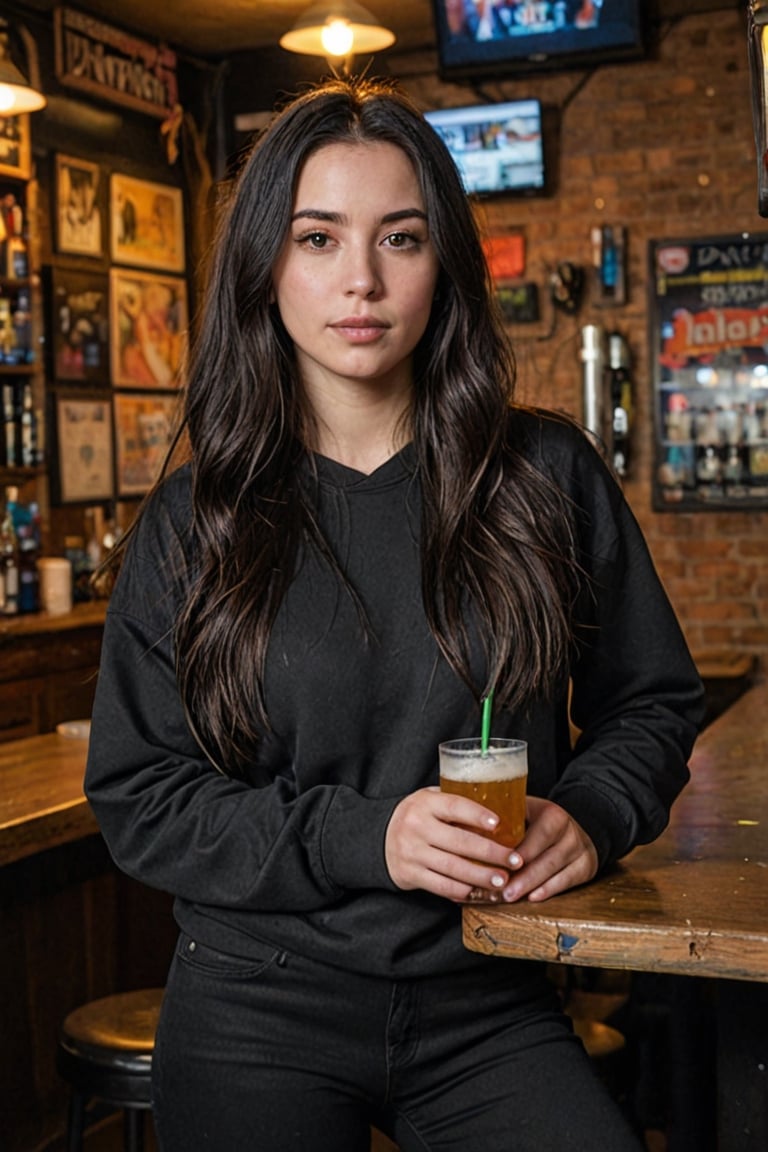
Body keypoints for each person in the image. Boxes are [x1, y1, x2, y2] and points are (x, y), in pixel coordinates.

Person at [84, 74, 705, 1152]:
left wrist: (595, 814)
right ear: (265, 268)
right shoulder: (198, 518)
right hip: (254, 1003)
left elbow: (652, 702)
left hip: (489, 996)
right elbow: (142, 795)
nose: (360, 281)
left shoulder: (544, 475)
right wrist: (373, 837)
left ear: (444, 265)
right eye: (318, 239)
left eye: (400, 239)